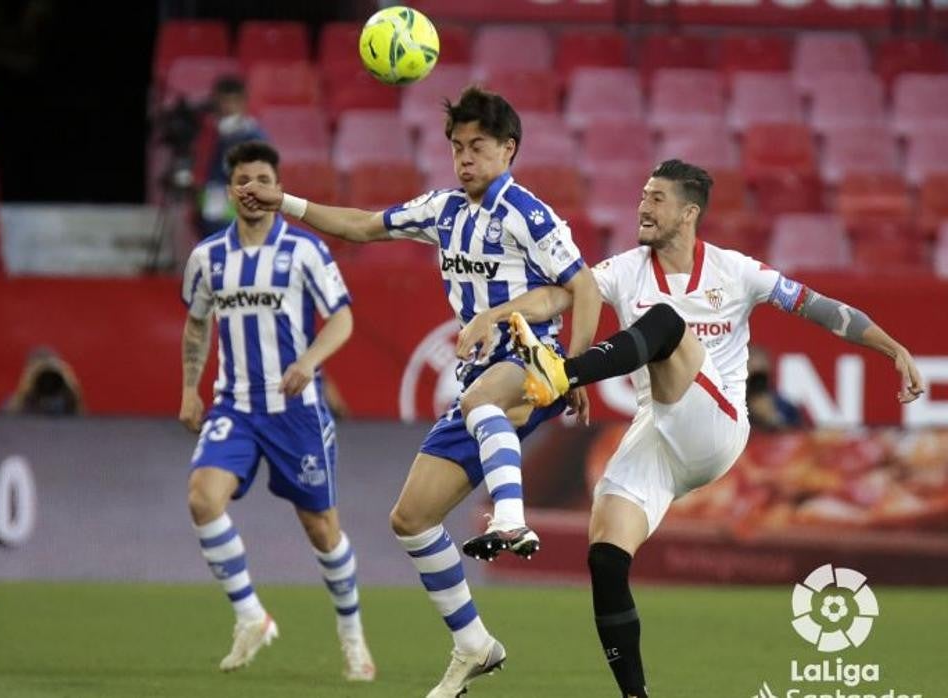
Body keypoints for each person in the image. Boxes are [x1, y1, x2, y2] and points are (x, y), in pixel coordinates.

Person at [509, 159, 925, 698]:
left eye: (656, 198)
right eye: (641, 195)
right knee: (606, 558)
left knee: (664, 323)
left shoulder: (736, 271)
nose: (642, 206)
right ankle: (635, 696)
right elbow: (560, 295)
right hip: (657, 434)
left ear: (689, 212)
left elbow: (821, 310)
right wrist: (494, 315)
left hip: (717, 426)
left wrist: (893, 348)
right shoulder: (624, 269)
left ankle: (560, 374)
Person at [237, 86, 602, 697]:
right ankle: (473, 645)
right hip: (477, 379)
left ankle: (512, 520)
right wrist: (285, 203)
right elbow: (360, 225)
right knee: (410, 519)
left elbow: (583, 287)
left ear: (508, 149)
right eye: (457, 146)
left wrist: (578, 368)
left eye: (478, 146)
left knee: (482, 401)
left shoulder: (529, 214)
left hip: (529, 358)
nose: (464, 158)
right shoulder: (443, 210)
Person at [178, 140, 375, 681]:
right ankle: (250, 617)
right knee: (202, 498)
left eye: (263, 180)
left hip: (296, 411)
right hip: (235, 407)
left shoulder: (306, 250)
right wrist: (190, 390)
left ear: (276, 186)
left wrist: (310, 361)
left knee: (322, 530)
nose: (253, 190)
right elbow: (197, 324)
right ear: (230, 189)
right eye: (243, 181)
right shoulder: (208, 258)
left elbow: (341, 319)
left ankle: (353, 639)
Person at [194, 76, 268, 237]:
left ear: (243, 103)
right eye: (223, 102)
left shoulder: (253, 135)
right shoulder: (207, 131)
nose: (227, 108)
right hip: (211, 196)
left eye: (233, 102)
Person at [4, 346, 85, 416]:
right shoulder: (17, 400)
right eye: (39, 371)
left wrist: (74, 392)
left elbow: (82, 422)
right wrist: (22, 395)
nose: (46, 379)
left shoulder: (68, 399)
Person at [745, 345, 802, 430]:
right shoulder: (733, 404)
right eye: (752, 374)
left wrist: (772, 419)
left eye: (760, 376)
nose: (756, 383)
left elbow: (799, 435)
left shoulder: (784, 406)